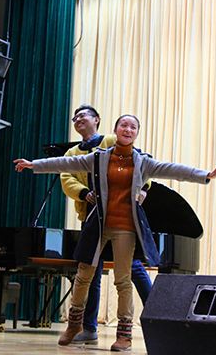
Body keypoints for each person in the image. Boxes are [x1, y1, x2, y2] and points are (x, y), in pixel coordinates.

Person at [15, 115, 216, 351]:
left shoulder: (142, 161)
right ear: (116, 130)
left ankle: (124, 334)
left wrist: (206, 175)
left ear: (136, 133)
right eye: (124, 125)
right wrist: (34, 165)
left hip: (125, 229)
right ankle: (75, 324)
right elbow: (66, 164)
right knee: (83, 275)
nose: (128, 129)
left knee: (123, 280)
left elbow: (173, 170)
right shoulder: (99, 158)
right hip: (98, 225)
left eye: (133, 127)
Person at [60, 105, 152, 343]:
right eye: (75, 117)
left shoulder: (112, 140)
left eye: (83, 115)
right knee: (89, 274)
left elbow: (141, 165)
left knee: (131, 270)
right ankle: (88, 328)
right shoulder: (71, 153)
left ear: (97, 120)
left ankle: (154, 318)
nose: (78, 119)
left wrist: (143, 188)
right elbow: (66, 177)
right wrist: (83, 193)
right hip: (93, 219)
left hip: (121, 219)